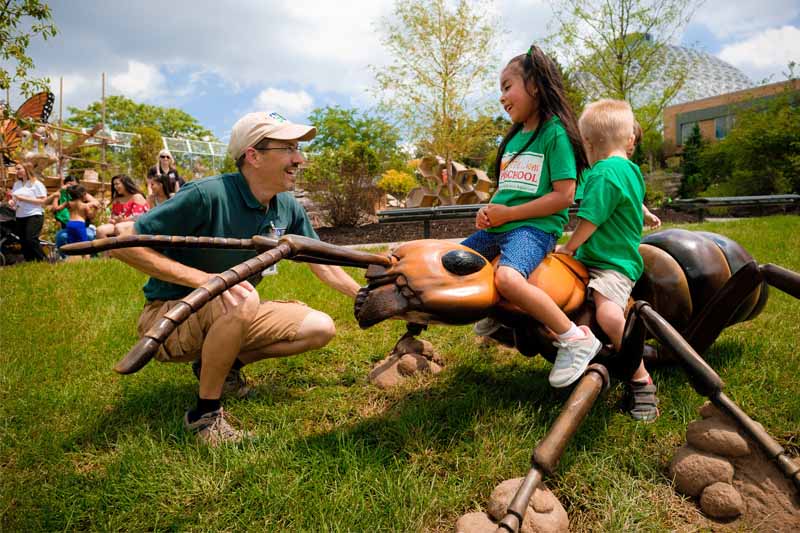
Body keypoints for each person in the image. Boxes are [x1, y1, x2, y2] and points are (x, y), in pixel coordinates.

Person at [109, 111, 361, 445]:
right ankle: (204, 416)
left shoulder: (287, 206)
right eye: (288, 149)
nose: (299, 159)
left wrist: (365, 296)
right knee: (242, 296)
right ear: (254, 156)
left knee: (320, 327)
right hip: (170, 317)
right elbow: (124, 243)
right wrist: (206, 281)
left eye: (297, 150)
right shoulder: (206, 195)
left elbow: (321, 261)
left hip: (229, 307)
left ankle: (220, 368)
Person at [463, 45, 600, 389]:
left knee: (508, 278)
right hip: (502, 227)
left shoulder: (555, 134)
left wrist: (509, 213)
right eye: (500, 90)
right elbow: (507, 189)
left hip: (533, 230)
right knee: (455, 261)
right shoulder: (513, 139)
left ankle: (574, 338)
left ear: (535, 85)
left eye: (507, 86)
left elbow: (563, 197)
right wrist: (489, 211)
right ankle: (497, 317)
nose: (502, 97)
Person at [555, 99, 659, 422]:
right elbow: (632, 199)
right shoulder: (628, 169)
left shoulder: (604, 173)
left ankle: (641, 379)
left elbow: (591, 219)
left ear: (587, 143)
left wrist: (569, 247)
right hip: (595, 258)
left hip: (613, 264)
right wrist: (646, 212)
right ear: (629, 141)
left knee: (609, 312)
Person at [9, 162, 48, 262]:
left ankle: (43, 260)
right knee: (23, 240)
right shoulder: (17, 184)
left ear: (26, 170)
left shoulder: (36, 184)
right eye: (16, 169)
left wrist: (23, 198)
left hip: (34, 214)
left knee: (31, 239)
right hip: (20, 215)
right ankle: (30, 262)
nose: (16, 171)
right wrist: (12, 202)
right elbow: (15, 199)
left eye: (18, 169)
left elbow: (43, 201)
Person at [95, 174, 148, 239]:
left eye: (117, 184)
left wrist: (123, 220)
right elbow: (113, 215)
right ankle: (109, 249)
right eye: (114, 184)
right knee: (100, 230)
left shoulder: (137, 196)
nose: (115, 187)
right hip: (119, 223)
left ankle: (123, 249)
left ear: (125, 184)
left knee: (119, 227)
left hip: (136, 225)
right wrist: (114, 219)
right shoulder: (117, 199)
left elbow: (138, 217)